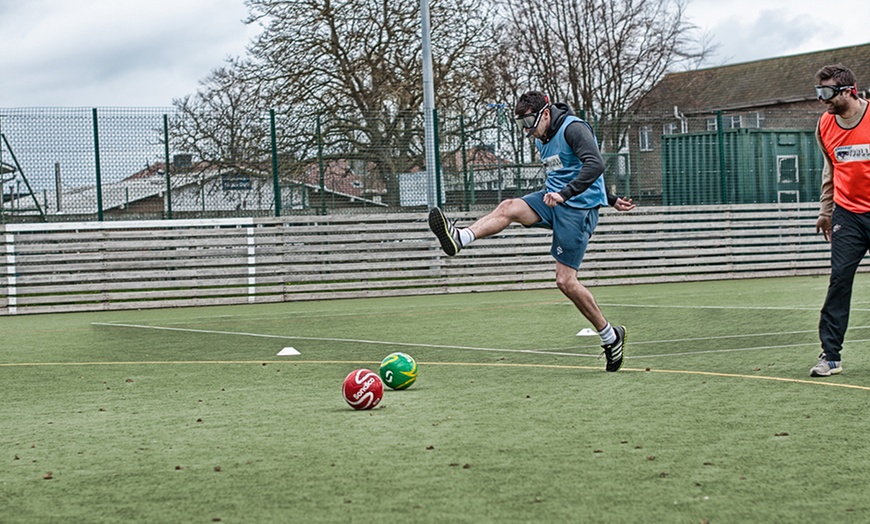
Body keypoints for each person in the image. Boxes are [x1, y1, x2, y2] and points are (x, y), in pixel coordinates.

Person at [428, 91, 636, 372]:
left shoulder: (573, 128)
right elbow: (572, 168)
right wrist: (610, 198)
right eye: (522, 124)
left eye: (529, 122)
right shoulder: (543, 136)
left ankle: (610, 336)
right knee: (509, 206)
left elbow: (594, 164)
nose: (527, 130)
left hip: (578, 210)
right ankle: (461, 237)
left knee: (565, 281)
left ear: (546, 113)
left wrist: (576, 196)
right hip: (554, 200)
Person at [811, 64, 870, 377]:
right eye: (819, 93)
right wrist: (825, 210)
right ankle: (830, 356)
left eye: (828, 93)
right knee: (839, 281)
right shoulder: (825, 125)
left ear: (849, 90)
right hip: (848, 215)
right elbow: (830, 170)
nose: (823, 100)